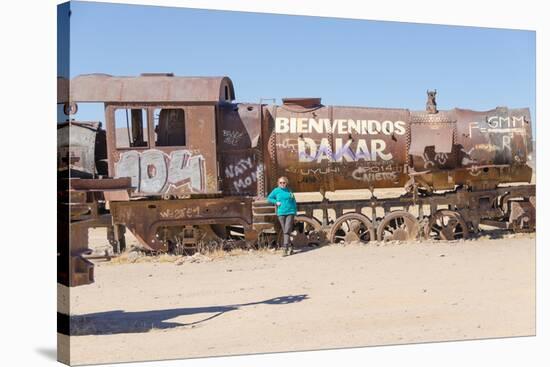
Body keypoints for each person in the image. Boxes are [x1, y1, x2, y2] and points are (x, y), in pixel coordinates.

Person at [267, 176, 297, 256]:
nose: (282, 184)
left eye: (284, 182)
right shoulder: (276, 191)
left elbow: (294, 201)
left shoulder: (289, 191)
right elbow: (269, 198)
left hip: (290, 212)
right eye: (280, 183)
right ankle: (291, 247)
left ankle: (285, 248)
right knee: (285, 231)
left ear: (286, 183)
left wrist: (295, 213)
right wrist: (276, 202)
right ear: (278, 183)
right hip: (281, 213)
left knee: (286, 230)